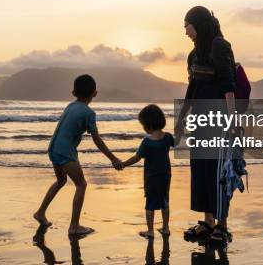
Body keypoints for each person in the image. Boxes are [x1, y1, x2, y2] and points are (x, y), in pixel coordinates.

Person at [178, 5, 240, 243]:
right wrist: (182, 120)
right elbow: (191, 90)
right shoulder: (193, 55)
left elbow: (228, 86)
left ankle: (222, 226)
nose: (185, 31)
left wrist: (232, 120)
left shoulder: (220, 46)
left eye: (187, 26)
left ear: (198, 23)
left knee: (219, 173)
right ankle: (207, 222)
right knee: (201, 171)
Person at [33, 74, 123, 235]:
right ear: (95, 93)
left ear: (73, 93)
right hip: (66, 151)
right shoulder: (89, 113)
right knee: (81, 184)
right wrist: (113, 158)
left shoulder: (70, 106)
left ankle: (40, 213)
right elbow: (97, 140)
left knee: (61, 180)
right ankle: (74, 226)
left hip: (53, 148)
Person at [122, 104, 175, 239]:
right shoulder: (168, 137)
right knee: (165, 201)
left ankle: (150, 231)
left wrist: (123, 164)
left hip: (151, 177)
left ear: (148, 124)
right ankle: (165, 228)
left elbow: (136, 158)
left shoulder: (146, 142)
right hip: (166, 175)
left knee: (150, 203)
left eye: (143, 124)